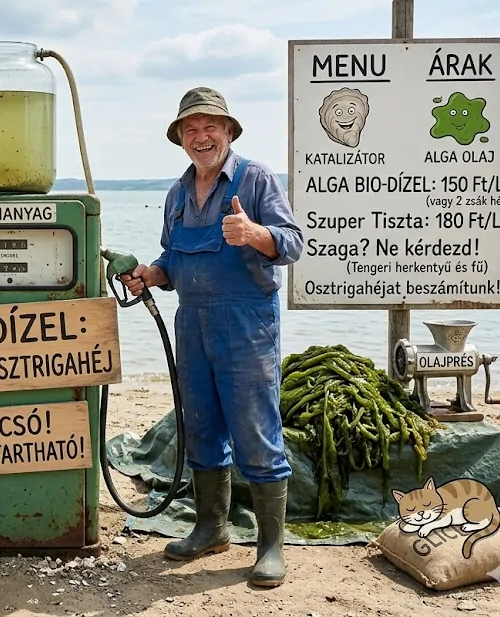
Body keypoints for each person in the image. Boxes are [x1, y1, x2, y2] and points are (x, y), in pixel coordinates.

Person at [120, 87, 304, 587]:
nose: (201, 137)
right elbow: (172, 260)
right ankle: (211, 528)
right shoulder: (177, 194)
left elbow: (292, 243)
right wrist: (150, 274)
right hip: (193, 324)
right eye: (191, 129)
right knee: (200, 425)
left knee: (256, 430)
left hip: (247, 324)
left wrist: (254, 233)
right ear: (181, 138)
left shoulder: (256, 178)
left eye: (210, 127)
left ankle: (270, 547)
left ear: (228, 132)